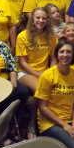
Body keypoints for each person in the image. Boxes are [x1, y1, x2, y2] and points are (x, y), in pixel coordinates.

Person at [16, 7, 57, 139]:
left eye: (44, 18)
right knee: (41, 89)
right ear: (32, 19)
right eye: (38, 18)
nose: (41, 20)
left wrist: (51, 73)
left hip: (45, 71)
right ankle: (31, 125)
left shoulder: (51, 36)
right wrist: (41, 76)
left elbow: (53, 58)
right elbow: (22, 62)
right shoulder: (23, 36)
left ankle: (51, 123)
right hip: (25, 72)